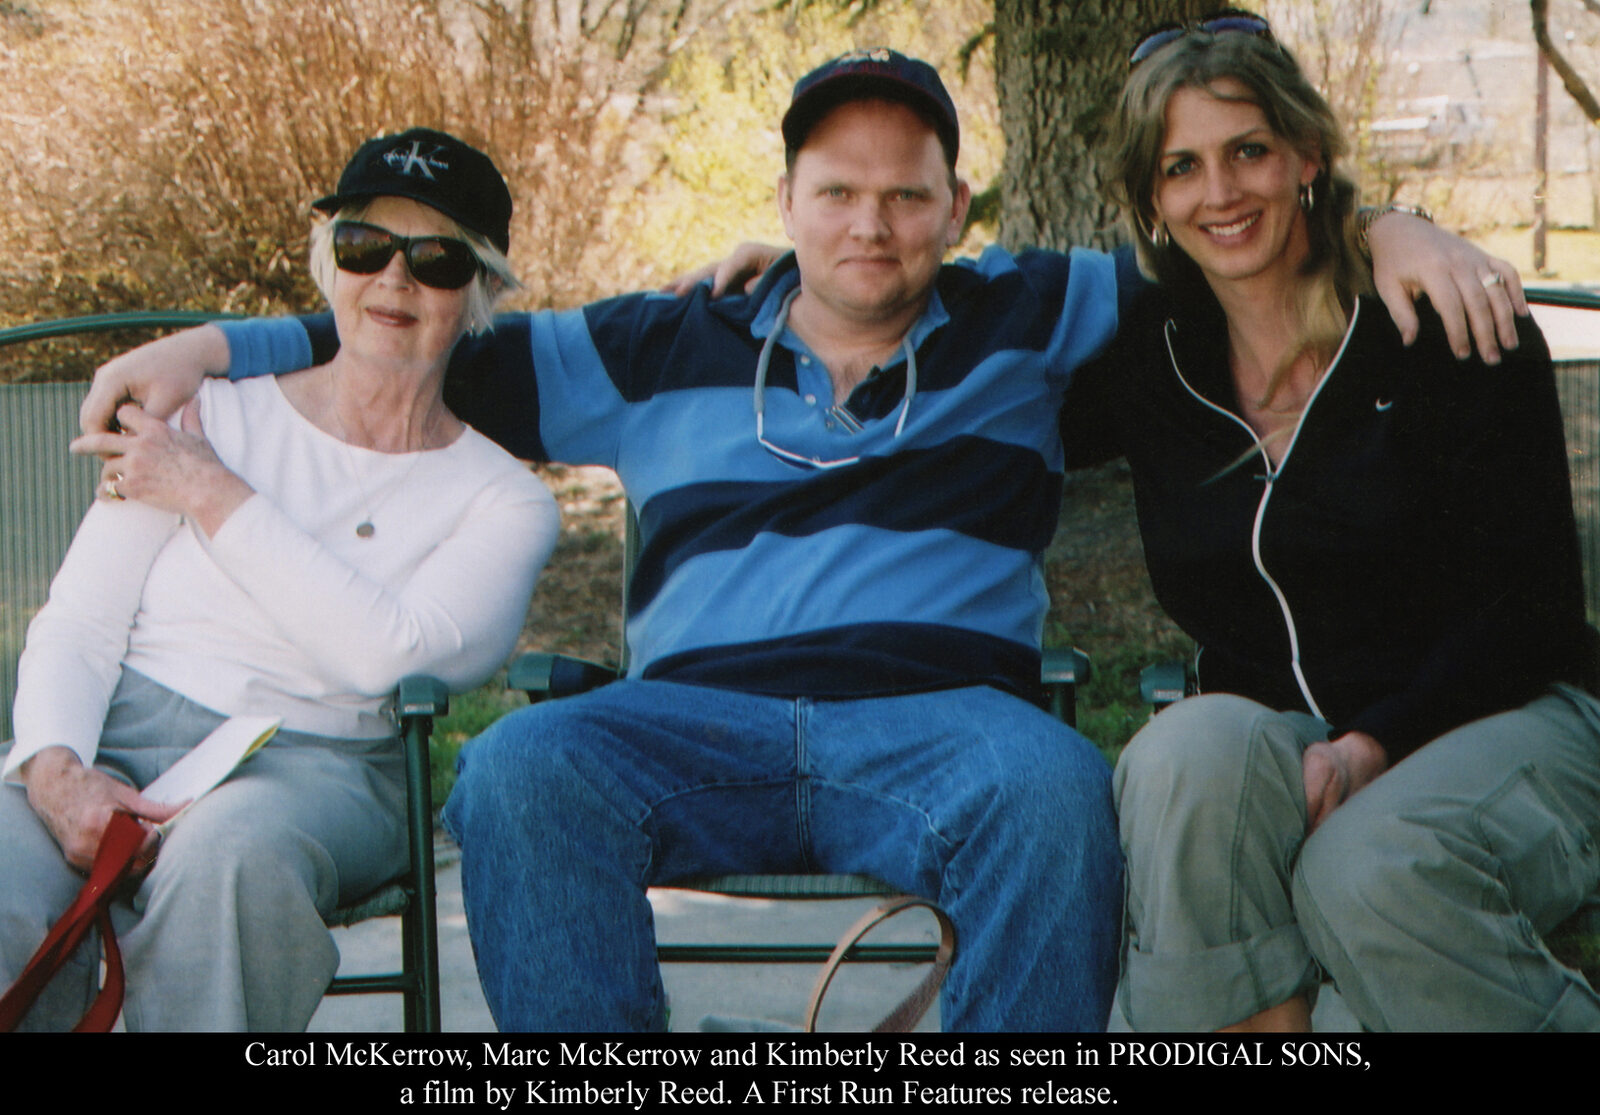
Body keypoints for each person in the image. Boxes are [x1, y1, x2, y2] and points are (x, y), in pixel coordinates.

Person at [74, 50, 1525, 1032]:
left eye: (909, 194)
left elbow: (1244, 239)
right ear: (784, 204)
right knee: (522, 765)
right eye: (837, 191)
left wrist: (1391, 223)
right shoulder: (663, 338)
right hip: (687, 718)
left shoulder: (1039, 309)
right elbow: (422, 323)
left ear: (958, 207)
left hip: (945, 723)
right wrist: (210, 343)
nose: (873, 224)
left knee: (1056, 783)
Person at [1061, 14, 1600, 1031]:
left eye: (1248, 151)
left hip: (1511, 715)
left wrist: (1371, 745)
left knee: (1365, 863)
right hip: (1287, 733)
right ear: (1149, 198)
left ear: (1305, 153)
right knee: (1178, 757)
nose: (1219, 193)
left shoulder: (1444, 321)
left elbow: (1530, 612)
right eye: (1181, 167)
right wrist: (786, 275)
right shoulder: (1150, 355)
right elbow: (944, 342)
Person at [0, 128, 560, 1031]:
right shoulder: (204, 408)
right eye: (364, 246)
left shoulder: (504, 501)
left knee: (231, 858)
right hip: (116, 729)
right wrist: (58, 768)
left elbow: (391, 654)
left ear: (484, 289)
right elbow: (79, 622)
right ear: (327, 264)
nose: (394, 280)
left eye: (438, 260)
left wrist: (211, 492)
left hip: (322, 766)